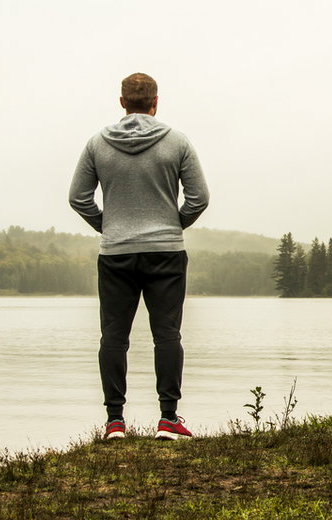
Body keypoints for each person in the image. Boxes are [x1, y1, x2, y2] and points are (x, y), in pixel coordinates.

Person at [69, 72, 209, 441]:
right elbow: (200, 198)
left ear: (121, 102)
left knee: (113, 336)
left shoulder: (97, 144)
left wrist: (109, 226)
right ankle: (168, 419)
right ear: (155, 102)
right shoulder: (177, 142)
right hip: (166, 252)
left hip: (116, 253)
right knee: (167, 334)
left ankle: (115, 422)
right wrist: (172, 224)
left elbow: (77, 197)